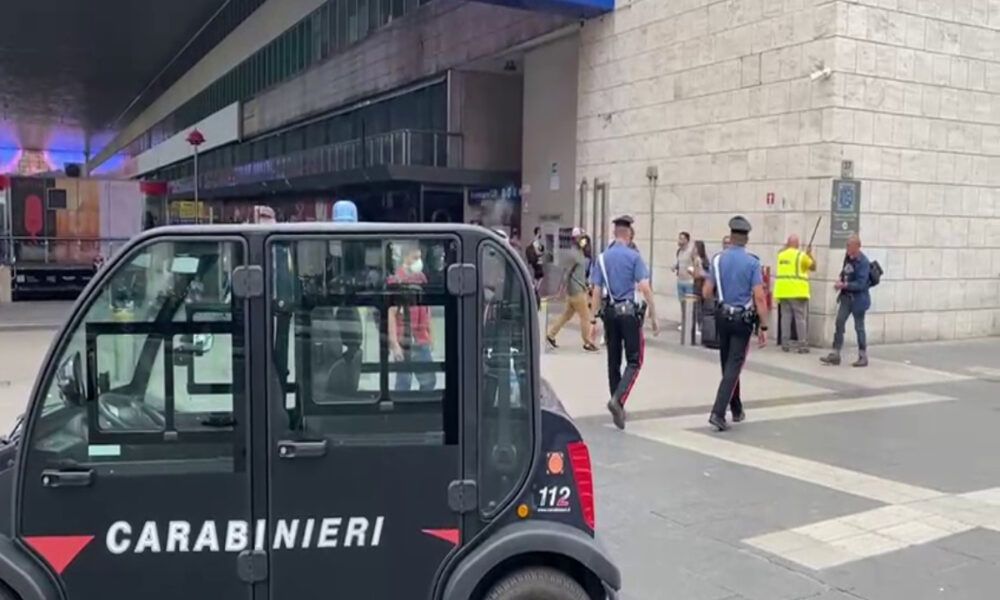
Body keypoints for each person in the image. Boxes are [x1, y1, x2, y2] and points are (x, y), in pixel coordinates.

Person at [589, 215, 659, 430]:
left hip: (609, 313)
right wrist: (654, 315)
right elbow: (645, 287)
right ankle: (618, 400)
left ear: (614, 233)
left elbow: (596, 291)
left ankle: (616, 402)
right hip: (628, 313)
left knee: (613, 360)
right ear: (628, 234)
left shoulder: (602, 258)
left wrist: (593, 320)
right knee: (635, 360)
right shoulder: (634, 257)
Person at [702, 216, 769, 432]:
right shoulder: (752, 263)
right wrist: (764, 326)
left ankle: (736, 407)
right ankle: (718, 413)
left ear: (730, 237)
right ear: (746, 238)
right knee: (734, 365)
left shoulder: (718, 260)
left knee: (728, 363)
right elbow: (759, 297)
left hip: (722, 316)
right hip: (742, 319)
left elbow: (706, 292)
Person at [388, 243, 436, 391]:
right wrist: (394, 344)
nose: (418, 261)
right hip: (404, 341)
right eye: (415, 258)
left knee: (429, 381)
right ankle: (401, 413)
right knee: (403, 383)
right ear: (406, 258)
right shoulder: (396, 280)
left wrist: (432, 335)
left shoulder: (421, 278)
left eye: (420, 258)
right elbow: (391, 313)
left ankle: (422, 408)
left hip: (421, 339)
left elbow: (427, 310)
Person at [821, 234, 871, 367]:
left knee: (859, 327)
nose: (847, 248)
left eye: (849, 245)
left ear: (857, 246)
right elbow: (844, 272)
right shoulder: (847, 258)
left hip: (859, 300)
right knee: (839, 322)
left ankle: (862, 356)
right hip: (846, 298)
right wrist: (840, 280)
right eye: (847, 245)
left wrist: (845, 285)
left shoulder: (864, 262)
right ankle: (835, 353)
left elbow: (861, 284)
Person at [546, 234, 599, 352]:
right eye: (584, 242)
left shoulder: (578, 254)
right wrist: (561, 289)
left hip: (574, 291)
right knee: (585, 317)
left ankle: (551, 334)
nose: (586, 245)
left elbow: (576, 274)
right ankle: (587, 342)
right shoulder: (575, 255)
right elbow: (567, 273)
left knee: (566, 315)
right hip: (577, 292)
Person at [774, 234, 816, 353]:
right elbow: (813, 267)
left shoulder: (781, 255)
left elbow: (782, 251)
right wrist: (809, 254)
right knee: (800, 319)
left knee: (785, 318)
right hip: (797, 292)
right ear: (797, 244)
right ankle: (802, 344)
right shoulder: (801, 255)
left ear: (788, 244)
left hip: (783, 291)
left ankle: (785, 343)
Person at [673, 232, 696, 330]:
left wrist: (692, 269)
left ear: (687, 240)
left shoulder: (691, 251)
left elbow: (697, 263)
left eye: (682, 238)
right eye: (679, 238)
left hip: (689, 282)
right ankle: (684, 322)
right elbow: (679, 263)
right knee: (682, 303)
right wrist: (675, 266)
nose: (680, 241)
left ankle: (693, 325)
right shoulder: (679, 252)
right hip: (680, 281)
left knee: (690, 305)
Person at [524, 227, 546, 308]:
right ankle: (535, 289)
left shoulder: (537, 241)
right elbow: (537, 252)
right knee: (540, 276)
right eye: (540, 231)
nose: (541, 233)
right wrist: (542, 252)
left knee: (538, 277)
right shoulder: (536, 241)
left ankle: (535, 288)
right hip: (537, 263)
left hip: (538, 263)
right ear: (537, 232)